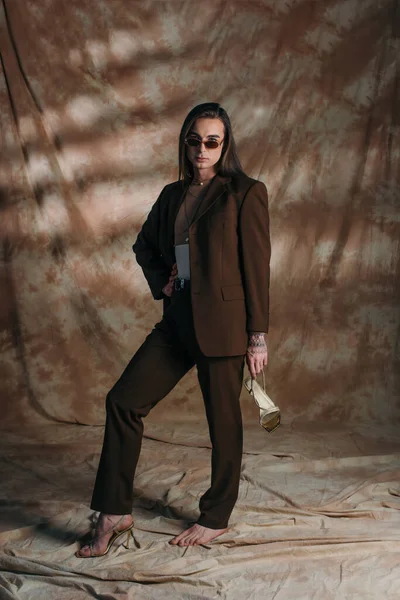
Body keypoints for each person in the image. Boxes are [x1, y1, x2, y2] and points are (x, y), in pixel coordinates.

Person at [76, 102, 270, 557]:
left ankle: (216, 517)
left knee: (223, 424)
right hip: (178, 320)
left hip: (224, 325)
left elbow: (256, 268)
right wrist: (163, 279)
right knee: (123, 401)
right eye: (194, 140)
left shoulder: (245, 192)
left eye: (212, 142)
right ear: (184, 142)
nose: (202, 149)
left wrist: (257, 335)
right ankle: (113, 510)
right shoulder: (171, 195)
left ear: (224, 145)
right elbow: (144, 244)